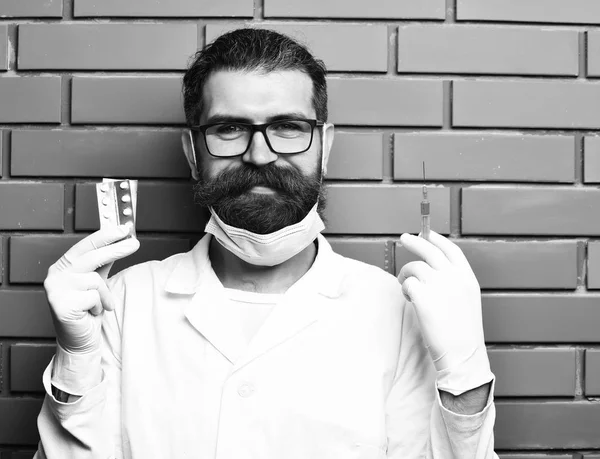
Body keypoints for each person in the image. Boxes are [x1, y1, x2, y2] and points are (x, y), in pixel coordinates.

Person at [35, 28, 498, 458]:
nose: (260, 154)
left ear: (325, 146)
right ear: (192, 152)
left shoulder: (395, 312)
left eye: (288, 128)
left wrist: (466, 373)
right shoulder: (123, 305)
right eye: (229, 129)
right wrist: (75, 361)